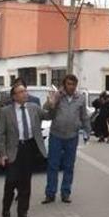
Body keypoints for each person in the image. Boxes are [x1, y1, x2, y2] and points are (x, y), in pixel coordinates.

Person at [0, 79, 46, 217]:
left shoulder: (34, 107)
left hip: (29, 147)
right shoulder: (5, 112)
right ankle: (6, 208)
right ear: (14, 96)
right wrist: (2, 154)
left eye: (25, 91)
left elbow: (48, 115)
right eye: (21, 92)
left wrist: (52, 103)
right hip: (14, 149)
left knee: (26, 181)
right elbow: (1, 135)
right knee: (11, 181)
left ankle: (22, 211)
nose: (24, 94)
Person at [42, 74, 90, 204]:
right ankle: (50, 193)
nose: (71, 87)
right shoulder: (58, 96)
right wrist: (52, 101)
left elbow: (84, 116)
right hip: (56, 135)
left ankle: (65, 193)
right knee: (53, 165)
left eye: (73, 84)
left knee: (69, 166)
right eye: (69, 84)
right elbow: (46, 112)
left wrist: (87, 131)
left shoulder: (80, 98)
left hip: (72, 136)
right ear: (64, 85)